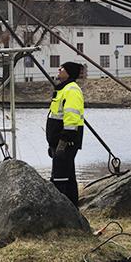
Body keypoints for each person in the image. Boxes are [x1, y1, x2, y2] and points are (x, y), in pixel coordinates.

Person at [46, 61, 84, 207]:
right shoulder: (63, 89)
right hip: (59, 142)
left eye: (62, 68)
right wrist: (52, 144)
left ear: (68, 73)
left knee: (60, 178)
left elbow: (72, 119)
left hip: (67, 142)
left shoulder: (72, 90)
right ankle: (73, 211)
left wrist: (63, 142)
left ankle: (60, 212)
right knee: (68, 177)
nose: (59, 69)